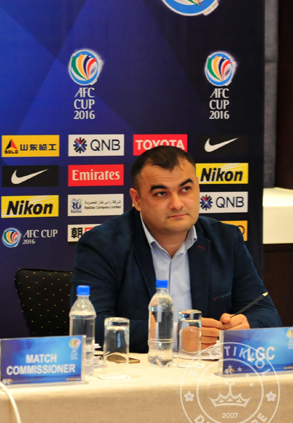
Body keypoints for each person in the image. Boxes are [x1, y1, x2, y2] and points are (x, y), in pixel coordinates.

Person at [71, 146, 280, 353]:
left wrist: (246, 325)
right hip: (138, 369)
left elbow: (265, 313)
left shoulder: (226, 239)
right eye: (161, 193)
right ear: (137, 200)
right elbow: (91, 327)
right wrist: (175, 335)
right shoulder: (102, 244)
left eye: (185, 189)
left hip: (207, 368)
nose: (177, 204)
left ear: (198, 188)